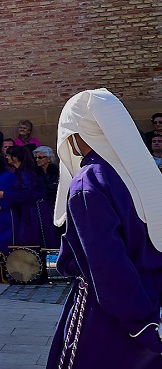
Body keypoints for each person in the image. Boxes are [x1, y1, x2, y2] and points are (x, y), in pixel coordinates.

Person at [47, 88, 162, 368]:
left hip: (111, 308)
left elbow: (108, 265)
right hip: (152, 298)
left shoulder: (90, 182)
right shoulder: (139, 173)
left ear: (74, 134)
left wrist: (142, 323)